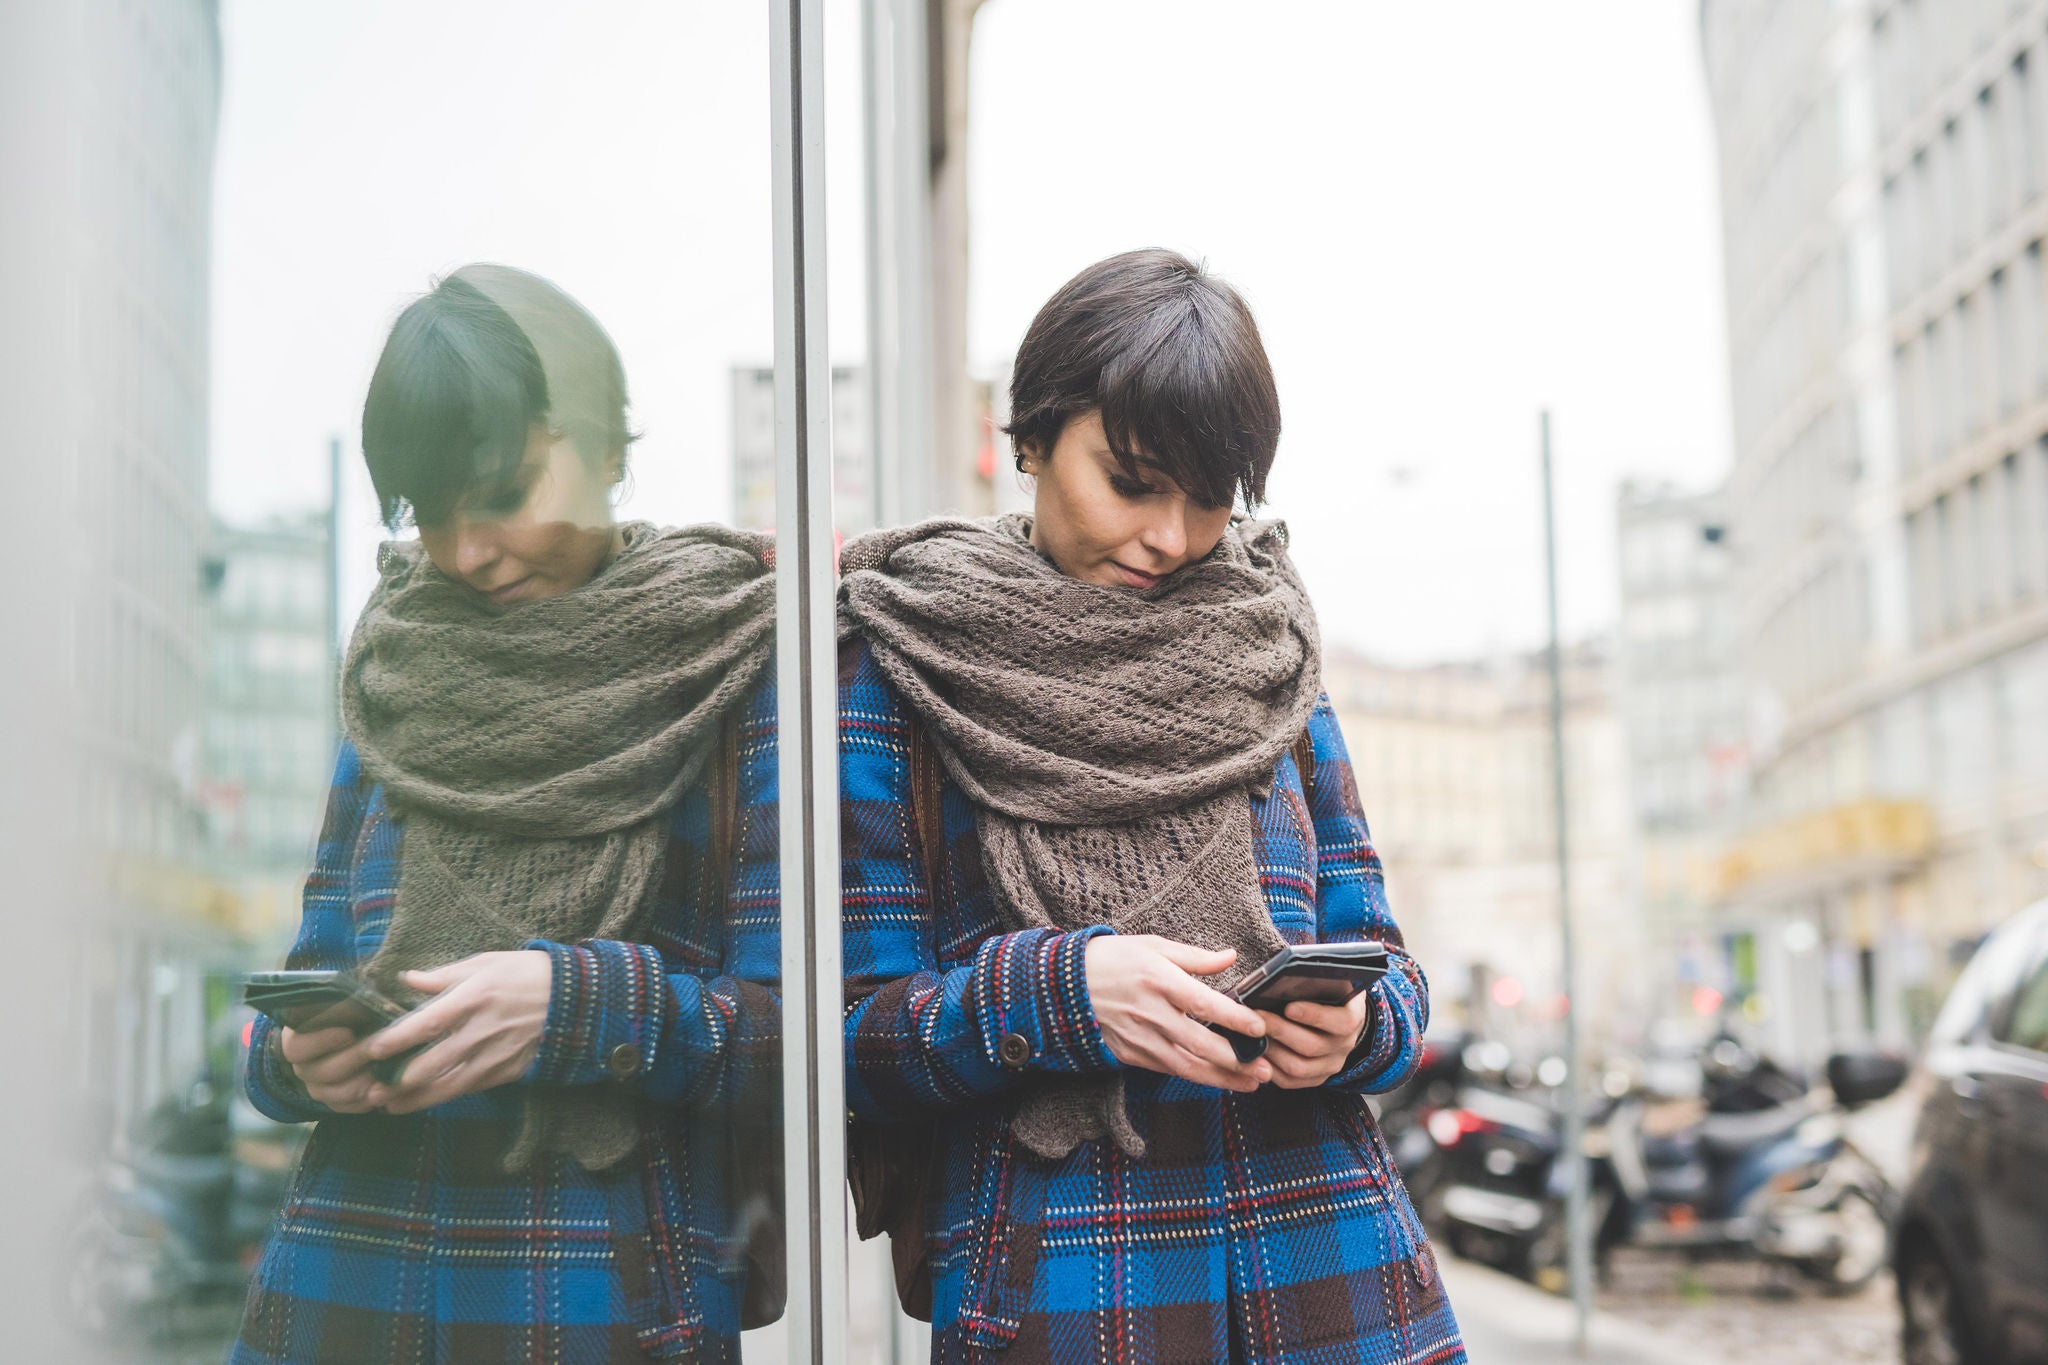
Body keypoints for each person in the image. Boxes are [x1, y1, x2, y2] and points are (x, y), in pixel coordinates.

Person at [837, 249, 1466, 1364]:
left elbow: (1386, 963)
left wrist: (1358, 1028)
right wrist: (1060, 992)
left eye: (1211, 496)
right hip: (1069, 1298)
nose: (1171, 538)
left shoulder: (1268, 648)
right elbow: (852, 1047)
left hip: (1335, 1283)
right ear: (1026, 437)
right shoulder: (902, 663)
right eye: (1130, 481)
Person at [231, 264, 781, 1364]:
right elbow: (311, 972)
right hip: (354, 1275)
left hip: (601, 1298)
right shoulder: (397, 664)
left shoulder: (728, 664)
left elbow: (799, 1042)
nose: (467, 551)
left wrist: (576, 1006)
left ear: (610, 448)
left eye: (504, 492)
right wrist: (293, 1060)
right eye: (430, 513)